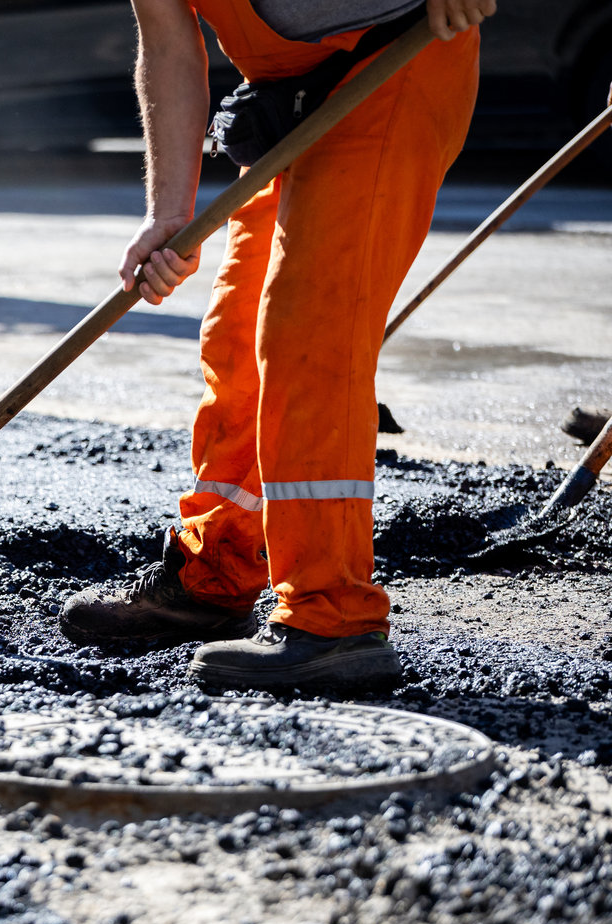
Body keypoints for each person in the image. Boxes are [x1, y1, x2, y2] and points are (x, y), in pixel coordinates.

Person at [59, 0, 495, 691]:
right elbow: (169, 42)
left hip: (399, 58)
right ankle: (218, 572)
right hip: (293, 98)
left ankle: (333, 617)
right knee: (237, 341)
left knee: (308, 339)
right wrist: (169, 214)